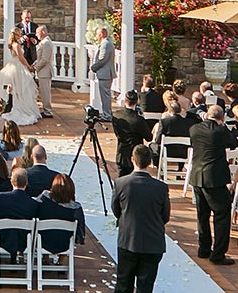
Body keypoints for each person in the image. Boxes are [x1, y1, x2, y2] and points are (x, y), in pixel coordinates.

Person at [112, 145, 169, 293]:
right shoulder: (161, 187)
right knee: (146, 287)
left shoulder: (121, 183)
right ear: (150, 162)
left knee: (123, 284)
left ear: (132, 160)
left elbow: (116, 210)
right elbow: (165, 216)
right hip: (153, 243)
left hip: (128, 241)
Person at [189, 104, 237, 265]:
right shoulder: (220, 131)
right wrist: (224, 126)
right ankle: (218, 253)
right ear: (221, 118)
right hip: (214, 178)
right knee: (222, 214)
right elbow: (234, 142)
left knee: (202, 215)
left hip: (197, 176)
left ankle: (203, 249)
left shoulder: (194, 129)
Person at [0, 166, 42, 261]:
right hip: (24, 241)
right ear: (26, 183)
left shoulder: (1, 197)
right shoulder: (33, 203)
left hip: (3, 238)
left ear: (11, 181)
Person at [0, 28, 43, 125]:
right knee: (20, 87)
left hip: (13, 64)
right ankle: (20, 108)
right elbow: (21, 58)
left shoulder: (12, 44)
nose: (21, 35)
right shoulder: (16, 45)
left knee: (18, 87)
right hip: (18, 66)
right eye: (19, 34)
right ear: (16, 35)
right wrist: (28, 66)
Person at [35, 173, 88, 254]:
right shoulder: (76, 208)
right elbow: (80, 230)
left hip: (43, 241)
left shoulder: (44, 199)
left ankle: (45, 258)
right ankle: (61, 260)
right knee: (67, 235)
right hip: (65, 244)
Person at [112, 90, 147, 177]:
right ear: (136, 102)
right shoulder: (138, 119)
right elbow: (148, 137)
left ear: (125, 100)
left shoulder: (116, 115)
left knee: (121, 180)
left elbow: (116, 133)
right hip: (135, 156)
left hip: (121, 153)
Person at [90, 25, 115, 119]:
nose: (96, 36)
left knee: (105, 96)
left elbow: (102, 59)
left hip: (105, 74)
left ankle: (107, 115)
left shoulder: (106, 44)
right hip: (105, 73)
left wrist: (93, 67)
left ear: (101, 34)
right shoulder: (106, 43)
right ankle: (107, 114)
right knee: (105, 95)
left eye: (97, 34)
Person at [33, 24, 55, 117]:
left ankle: (48, 111)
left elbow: (45, 59)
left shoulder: (46, 43)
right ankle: (46, 110)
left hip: (45, 72)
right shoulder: (43, 42)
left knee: (45, 93)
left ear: (43, 32)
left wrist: (35, 67)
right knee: (43, 92)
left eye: (37, 32)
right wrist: (34, 64)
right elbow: (40, 57)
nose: (36, 34)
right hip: (42, 72)